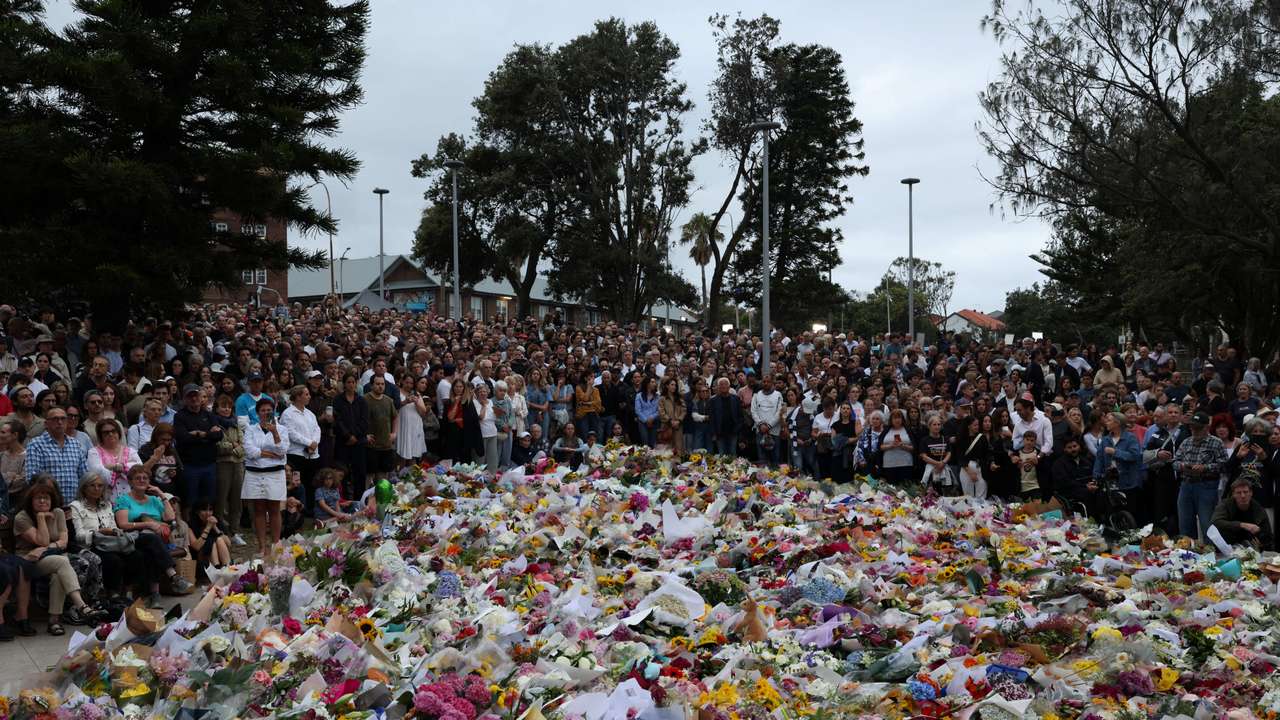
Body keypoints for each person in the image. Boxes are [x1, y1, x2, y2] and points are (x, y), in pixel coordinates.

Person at [14, 484, 105, 634]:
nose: (43, 501)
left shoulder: (58, 513)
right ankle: (82, 606)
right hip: (27, 560)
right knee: (63, 561)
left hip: (51, 557)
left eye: (46, 498)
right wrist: (41, 518)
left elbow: (63, 542)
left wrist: (45, 548)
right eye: (38, 498)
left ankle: (54, 621)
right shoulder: (22, 517)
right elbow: (42, 540)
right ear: (30, 500)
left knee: (58, 573)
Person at [113, 465, 191, 607]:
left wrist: (161, 494)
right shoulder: (124, 500)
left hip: (155, 541)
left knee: (150, 550)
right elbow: (123, 524)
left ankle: (154, 595)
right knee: (152, 541)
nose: (142, 480)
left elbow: (170, 517)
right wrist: (148, 525)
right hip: (132, 538)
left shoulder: (154, 500)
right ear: (130, 482)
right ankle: (172, 577)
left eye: (145, 478)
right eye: (137, 478)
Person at [68, 473, 131, 604]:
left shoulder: (107, 504)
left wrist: (114, 531)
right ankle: (112, 595)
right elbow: (78, 536)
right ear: (84, 488)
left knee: (135, 554)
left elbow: (113, 526)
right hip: (90, 545)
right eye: (92, 485)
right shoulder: (76, 506)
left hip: (110, 543)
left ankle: (128, 593)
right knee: (113, 560)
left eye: (100, 486)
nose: (96, 489)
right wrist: (98, 532)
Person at [243, 396, 290, 551]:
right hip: (254, 473)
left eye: (269, 410)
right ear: (257, 413)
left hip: (275, 474)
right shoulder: (250, 429)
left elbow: (283, 450)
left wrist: (275, 432)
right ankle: (262, 547)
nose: (265, 413)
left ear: (273, 411)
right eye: (262, 410)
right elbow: (249, 451)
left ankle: (275, 545)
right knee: (259, 509)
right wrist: (269, 454)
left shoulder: (282, 429)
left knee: (275, 509)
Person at [1174, 410, 1229, 541]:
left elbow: (1224, 464)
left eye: (1198, 428)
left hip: (1207, 485)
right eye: (1192, 427)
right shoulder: (1186, 442)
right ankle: (1187, 554)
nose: (1194, 430)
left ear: (1206, 427)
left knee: (1207, 524)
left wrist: (1205, 467)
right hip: (1186, 484)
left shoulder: (1216, 443)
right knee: (1185, 524)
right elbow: (1175, 461)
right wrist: (1181, 466)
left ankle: (1211, 555)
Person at [24, 406, 88, 503]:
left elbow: (83, 476)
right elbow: (32, 479)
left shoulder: (75, 444)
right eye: (55, 419)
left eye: (63, 419)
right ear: (46, 424)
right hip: (48, 505)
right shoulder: (36, 444)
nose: (60, 422)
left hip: (74, 505)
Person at [173, 383, 221, 507]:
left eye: (196, 395)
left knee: (210, 499)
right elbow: (183, 438)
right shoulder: (179, 416)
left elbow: (219, 435)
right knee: (191, 500)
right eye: (190, 396)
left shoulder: (209, 415)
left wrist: (199, 434)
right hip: (190, 466)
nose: (194, 399)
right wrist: (209, 434)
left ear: (201, 396)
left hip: (209, 464)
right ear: (184, 399)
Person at [279, 385, 321, 511]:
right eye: (306, 394)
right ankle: (297, 510)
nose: (309, 396)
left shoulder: (310, 414)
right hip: (296, 454)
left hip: (312, 454)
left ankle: (309, 510)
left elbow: (317, 429)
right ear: (298, 397)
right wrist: (309, 443)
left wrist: (314, 443)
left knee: (311, 483)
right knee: (297, 483)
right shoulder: (288, 414)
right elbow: (291, 433)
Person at [212, 394, 246, 545]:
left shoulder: (235, 423)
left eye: (229, 406)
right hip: (222, 464)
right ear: (216, 408)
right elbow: (218, 446)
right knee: (221, 499)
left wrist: (235, 447)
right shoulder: (214, 423)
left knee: (236, 499)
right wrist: (233, 446)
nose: (226, 409)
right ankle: (221, 529)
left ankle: (234, 530)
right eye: (223, 406)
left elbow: (243, 443)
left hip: (238, 464)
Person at [1093, 411, 1144, 508]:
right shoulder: (1105, 440)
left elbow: (1135, 456)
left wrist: (1115, 452)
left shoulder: (1130, 438)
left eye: (1109, 420)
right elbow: (1099, 460)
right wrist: (1096, 477)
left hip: (1128, 482)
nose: (1106, 422)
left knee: (1129, 511)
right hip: (1110, 483)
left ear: (1117, 423)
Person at [332, 372, 369, 499]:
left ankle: (359, 500)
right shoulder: (337, 400)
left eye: (353, 382)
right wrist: (348, 436)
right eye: (348, 382)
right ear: (344, 384)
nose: (351, 384)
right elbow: (337, 420)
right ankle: (342, 499)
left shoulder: (361, 400)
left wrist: (355, 436)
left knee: (360, 472)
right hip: (343, 442)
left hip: (359, 442)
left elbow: (364, 421)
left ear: (356, 383)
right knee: (342, 472)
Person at [1212, 476, 1273, 548]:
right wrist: (1242, 525)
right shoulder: (1225, 504)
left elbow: (1268, 533)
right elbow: (1215, 521)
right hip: (1228, 543)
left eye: (1245, 492)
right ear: (1233, 494)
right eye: (1238, 493)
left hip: (1251, 545)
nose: (1243, 496)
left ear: (1251, 493)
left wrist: (1259, 531)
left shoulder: (1258, 509)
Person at [186, 500, 230, 575]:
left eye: (210, 510)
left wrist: (215, 528)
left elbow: (228, 543)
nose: (208, 513)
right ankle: (217, 571)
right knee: (211, 542)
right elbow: (196, 547)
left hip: (220, 558)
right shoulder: (190, 525)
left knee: (219, 540)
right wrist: (208, 528)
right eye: (204, 510)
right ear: (197, 511)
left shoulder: (217, 521)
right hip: (200, 560)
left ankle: (227, 569)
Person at [393, 375, 428, 466]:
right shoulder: (397, 392)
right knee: (402, 452)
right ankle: (400, 475)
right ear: (402, 381)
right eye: (407, 382)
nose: (409, 385)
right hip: (402, 424)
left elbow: (423, 412)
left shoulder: (416, 394)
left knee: (413, 452)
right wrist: (405, 402)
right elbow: (394, 408)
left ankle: (412, 477)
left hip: (415, 425)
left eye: (411, 383)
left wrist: (416, 402)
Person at [750, 375, 784, 465]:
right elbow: (753, 411)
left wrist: (769, 425)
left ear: (772, 383)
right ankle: (763, 478)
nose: (765, 383)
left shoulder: (778, 395)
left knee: (775, 458)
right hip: (760, 431)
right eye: (764, 381)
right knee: (762, 459)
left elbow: (779, 412)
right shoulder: (756, 395)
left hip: (774, 431)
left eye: (768, 381)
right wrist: (760, 424)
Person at [955, 415, 990, 500]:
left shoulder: (982, 437)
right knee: (968, 496)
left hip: (980, 467)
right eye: (975, 425)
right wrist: (970, 472)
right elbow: (960, 457)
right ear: (968, 426)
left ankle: (982, 511)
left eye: (978, 425)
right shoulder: (961, 438)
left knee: (981, 494)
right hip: (966, 468)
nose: (977, 427)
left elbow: (986, 454)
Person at [879, 409, 915, 485]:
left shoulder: (908, 430)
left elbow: (914, 448)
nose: (897, 420)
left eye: (899, 418)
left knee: (907, 488)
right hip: (889, 465)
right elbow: (880, 447)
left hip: (906, 464)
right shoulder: (886, 430)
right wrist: (890, 445)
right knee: (891, 489)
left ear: (902, 419)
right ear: (891, 420)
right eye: (894, 418)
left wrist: (903, 446)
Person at [709, 377, 742, 457]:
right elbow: (712, 418)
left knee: (733, 453)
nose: (723, 386)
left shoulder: (736, 398)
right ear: (718, 387)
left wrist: (738, 429)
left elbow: (740, 416)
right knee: (722, 455)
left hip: (733, 431)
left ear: (729, 386)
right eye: (721, 385)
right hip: (719, 432)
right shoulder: (713, 400)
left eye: (725, 384)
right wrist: (714, 433)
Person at [472, 382, 499, 472]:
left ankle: (492, 476)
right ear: (476, 393)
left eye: (485, 391)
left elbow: (494, 417)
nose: (483, 393)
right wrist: (483, 406)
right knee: (480, 459)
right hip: (481, 434)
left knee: (492, 457)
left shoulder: (491, 402)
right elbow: (481, 417)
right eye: (480, 392)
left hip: (493, 433)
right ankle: (477, 478)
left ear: (488, 392)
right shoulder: (474, 403)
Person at [658, 377, 687, 456]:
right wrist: (670, 421)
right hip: (666, 426)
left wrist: (679, 420)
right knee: (667, 448)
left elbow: (684, 410)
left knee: (678, 447)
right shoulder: (662, 399)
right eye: (672, 385)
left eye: (675, 385)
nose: (674, 387)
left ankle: (678, 465)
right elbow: (661, 412)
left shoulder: (679, 398)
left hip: (678, 426)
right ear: (667, 386)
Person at [0, 419, 27, 500]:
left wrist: (3, 477)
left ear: (15, 435)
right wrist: (11, 476)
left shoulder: (27, 457)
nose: (0, 435)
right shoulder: (1, 455)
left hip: (18, 500)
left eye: (3, 432)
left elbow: (22, 481)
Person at [634, 377, 659, 448]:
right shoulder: (639, 396)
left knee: (653, 443)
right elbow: (638, 410)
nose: (655, 384)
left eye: (655, 382)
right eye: (652, 382)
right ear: (647, 384)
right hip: (642, 422)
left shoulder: (657, 396)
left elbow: (659, 410)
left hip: (654, 421)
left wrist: (651, 418)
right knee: (645, 443)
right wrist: (646, 420)